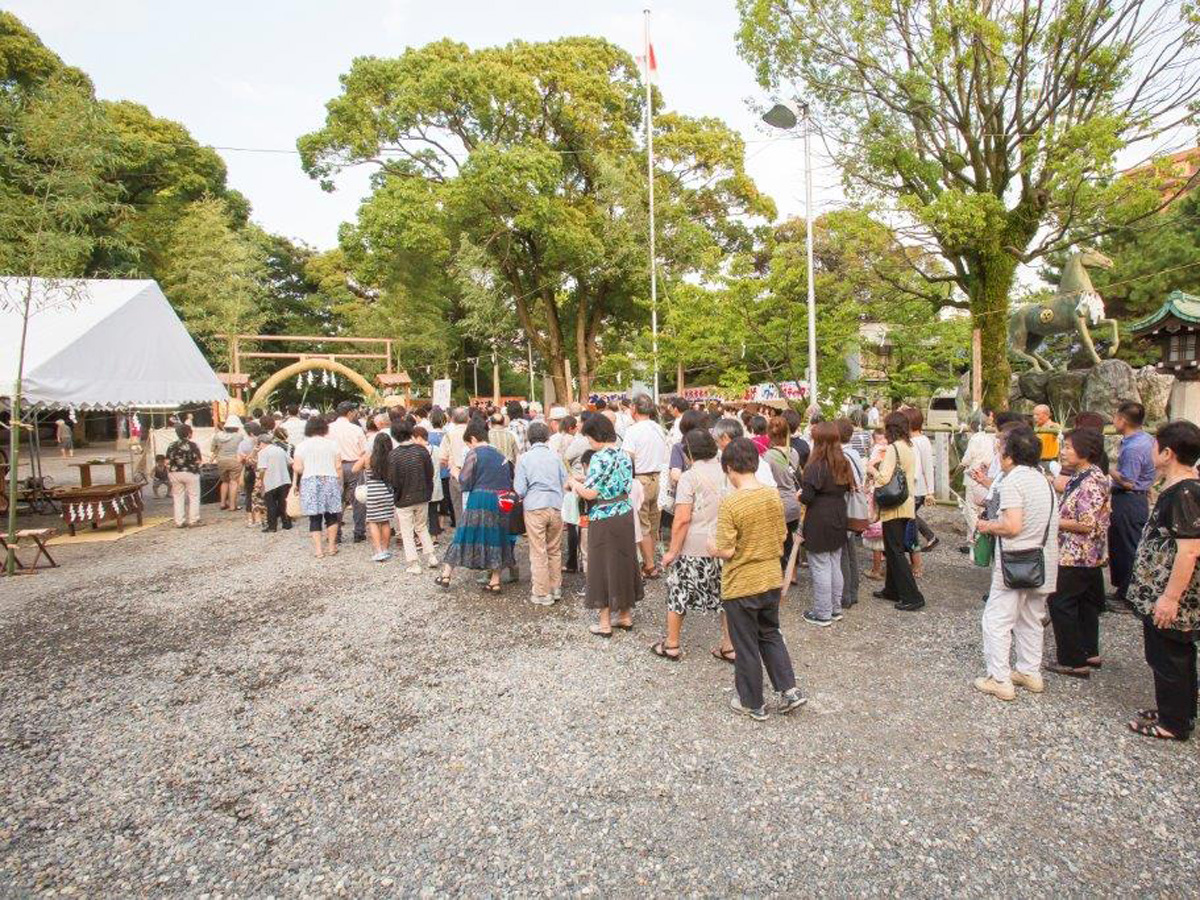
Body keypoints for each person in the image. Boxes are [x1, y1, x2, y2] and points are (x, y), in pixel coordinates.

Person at [709, 437, 807, 720]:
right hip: (770, 577)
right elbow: (782, 536)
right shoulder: (771, 495)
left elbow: (726, 549)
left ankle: (752, 702)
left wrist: (711, 547)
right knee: (770, 633)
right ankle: (789, 690)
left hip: (741, 583)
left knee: (746, 643)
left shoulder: (732, 503)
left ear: (728, 468)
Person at [1123, 420, 1200, 740]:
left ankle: (1174, 722)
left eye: (1155, 446)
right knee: (1168, 653)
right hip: (1160, 586)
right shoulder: (1176, 488)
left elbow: (1190, 549)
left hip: (1171, 592)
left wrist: (1170, 597)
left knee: (1170, 655)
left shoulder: (1184, 492)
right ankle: (1177, 709)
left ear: (1168, 453)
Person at [973, 426, 1059, 701]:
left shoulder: (1012, 482)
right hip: (1043, 559)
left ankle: (999, 678)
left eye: (1000, 449)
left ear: (1009, 455)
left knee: (997, 619)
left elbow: (1012, 526)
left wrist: (987, 526)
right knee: (1031, 618)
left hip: (1016, 560)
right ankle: (1029, 671)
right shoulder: (1043, 479)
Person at [654, 428, 733, 662]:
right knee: (725, 596)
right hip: (723, 544)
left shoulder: (689, 477)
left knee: (678, 592)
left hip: (694, 545)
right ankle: (729, 645)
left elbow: (682, 519)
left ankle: (672, 644)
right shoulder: (727, 471)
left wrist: (671, 552)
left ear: (688, 451)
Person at [568, 414, 643, 636]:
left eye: (589, 437)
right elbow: (619, 484)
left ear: (597, 435)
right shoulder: (624, 455)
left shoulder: (599, 458)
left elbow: (591, 492)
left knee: (602, 566)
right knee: (623, 562)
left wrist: (573, 482)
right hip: (624, 512)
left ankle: (604, 623)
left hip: (604, 515)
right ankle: (625, 615)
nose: (589, 442)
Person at [1046, 428, 1111, 678]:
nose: (1063, 452)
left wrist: (1052, 521)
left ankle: (1073, 660)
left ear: (1085, 451)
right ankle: (1088, 650)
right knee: (1085, 603)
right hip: (1084, 553)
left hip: (1078, 553)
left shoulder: (1092, 480)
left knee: (1061, 601)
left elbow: (1086, 523)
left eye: (1068, 448)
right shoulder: (1082, 475)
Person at [436, 419, 514, 592]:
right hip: (501, 500)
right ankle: (495, 581)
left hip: (480, 499)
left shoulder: (475, 453)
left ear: (472, 439)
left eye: (468, 444)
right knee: (497, 537)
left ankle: (446, 574)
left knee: (464, 533)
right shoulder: (501, 455)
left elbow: (465, 482)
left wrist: (455, 472)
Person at [867, 412, 925, 611]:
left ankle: (912, 595)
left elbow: (883, 478)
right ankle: (891, 589)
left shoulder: (893, 448)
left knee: (895, 550)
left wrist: (872, 468)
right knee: (893, 549)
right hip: (906, 502)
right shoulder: (909, 446)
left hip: (894, 506)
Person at [800, 422, 852, 625]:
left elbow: (808, 497)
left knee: (820, 565)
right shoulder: (843, 462)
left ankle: (822, 612)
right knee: (834, 562)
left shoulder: (815, 465)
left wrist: (800, 495)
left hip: (819, 518)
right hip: (839, 513)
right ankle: (835, 608)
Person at [514, 422, 568, 605]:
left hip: (534, 506)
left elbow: (520, 489)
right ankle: (556, 587)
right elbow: (565, 482)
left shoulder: (524, 458)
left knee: (538, 550)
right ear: (547, 437)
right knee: (554, 548)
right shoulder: (555, 457)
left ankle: (542, 592)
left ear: (529, 438)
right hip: (556, 505)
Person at [1110, 401, 1156, 608]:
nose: (1113, 420)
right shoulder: (1147, 439)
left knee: (1128, 545)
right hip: (1137, 497)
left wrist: (1108, 469)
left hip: (1129, 498)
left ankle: (1129, 594)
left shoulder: (1134, 447)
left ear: (1123, 420)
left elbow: (1128, 481)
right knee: (1124, 543)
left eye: (1116, 417)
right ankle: (1124, 589)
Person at [622, 393, 669, 577]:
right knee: (653, 524)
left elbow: (627, 458)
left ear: (634, 408)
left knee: (643, 526)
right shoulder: (659, 428)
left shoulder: (633, 431)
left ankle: (649, 565)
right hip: (658, 478)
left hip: (641, 480)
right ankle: (652, 561)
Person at [388, 419, 438, 574]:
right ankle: (431, 557)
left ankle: (414, 563)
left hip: (404, 498)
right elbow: (430, 473)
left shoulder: (394, 455)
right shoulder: (422, 451)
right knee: (422, 526)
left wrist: (397, 494)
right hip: (422, 495)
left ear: (395, 435)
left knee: (407, 531)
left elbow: (393, 480)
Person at [293, 416, 343, 559]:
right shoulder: (332, 444)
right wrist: (338, 482)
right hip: (330, 479)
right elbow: (338, 466)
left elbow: (298, 467)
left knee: (314, 517)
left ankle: (318, 550)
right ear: (324, 428)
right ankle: (332, 546)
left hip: (310, 481)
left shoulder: (301, 446)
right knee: (332, 515)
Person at [763, 416, 802, 571]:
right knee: (790, 540)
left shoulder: (768, 457)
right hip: (794, 501)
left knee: (778, 542)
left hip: (778, 503)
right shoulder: (794, 452)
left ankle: (779, 574)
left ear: (769, 434)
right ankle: (792, 573)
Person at [838, 418, 867, 609]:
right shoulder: (855, 454)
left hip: (845, 506)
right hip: (855, 505)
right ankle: (853, 590)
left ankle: (845, 594)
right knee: (851, 550)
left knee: (843, 552)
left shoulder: (842, 457)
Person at [329, 401, 368, 544]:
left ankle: (336, 533)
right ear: (350, 412)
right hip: (354, 464)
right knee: (358, 499)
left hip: (334, 466)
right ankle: (359, 532)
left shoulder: (328, 429)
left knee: (335, 500)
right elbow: (364, 451)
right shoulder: (356, 429)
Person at [355, 431, 396, 562]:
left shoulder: (368, 457)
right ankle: (385, 549)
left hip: (373, 491)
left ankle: (378, 551)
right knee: (385, 521)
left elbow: (354, 469)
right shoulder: (392, 457)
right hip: (387, 492)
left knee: (373, 521)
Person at [905, 407, 938, 560]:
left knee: (909, 521)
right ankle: (930, 538)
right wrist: (929, 490)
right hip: (920, 490)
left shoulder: (914, 442)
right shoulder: (923, 440)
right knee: (911, 518)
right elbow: (928, 468)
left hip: (915, 489)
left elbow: (924, 468)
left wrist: (930, 491)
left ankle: (914, 558)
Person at [165, 423, 203, 528]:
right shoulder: (193, 445)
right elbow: (199, 460)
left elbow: (167, 461)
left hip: (175, 472)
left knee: (177, 497)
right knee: (194, 496)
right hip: (191, 472)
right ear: (189, 433)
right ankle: (193, 519)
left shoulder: (171, 445)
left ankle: (179, 521)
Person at [256, 431, 293, 533]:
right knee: (283, 503)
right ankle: (287, 523)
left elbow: (262, 469)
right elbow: (290, 462)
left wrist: (260, 480)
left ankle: (272, 526)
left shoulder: (262, 453)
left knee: (271, 504)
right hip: (284, 479)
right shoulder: (280, 450)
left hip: (270, 481)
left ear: (262, 442)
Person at [439, 407, 470, 526]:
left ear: (452, 419)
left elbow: (442, 458)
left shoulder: (449, 434)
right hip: (475, 473)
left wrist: (450, 464)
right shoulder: (474, 432)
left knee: (458, 508)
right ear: (468, 418)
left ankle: (461, 536)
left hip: (456, 473)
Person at [210, 414, 243, 511]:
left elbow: (213, 449)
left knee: (224, 481)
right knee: (233, 482)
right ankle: (233, 506)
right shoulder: (239, 437)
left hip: (221, 460)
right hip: (235, 460)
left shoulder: (217, 436)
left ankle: (223, 503)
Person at [238, 421, 264, 528]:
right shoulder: (263, 441)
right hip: (261, 470)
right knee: (260, 494)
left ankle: (250, 519)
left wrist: (246, 458)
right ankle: (260, 518)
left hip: (249, 470)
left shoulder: (243, 443)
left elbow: (239, 460)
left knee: (249, 494)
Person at [1033, 404, 1061, 471]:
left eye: (1037, 415)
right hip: (1036, 462)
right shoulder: (1036, 427)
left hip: (1050, 464)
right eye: (1034, 415)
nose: (1034, 417)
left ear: (1047, 415)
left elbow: (1057, 431)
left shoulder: (1054, 426)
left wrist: (1037, 431)